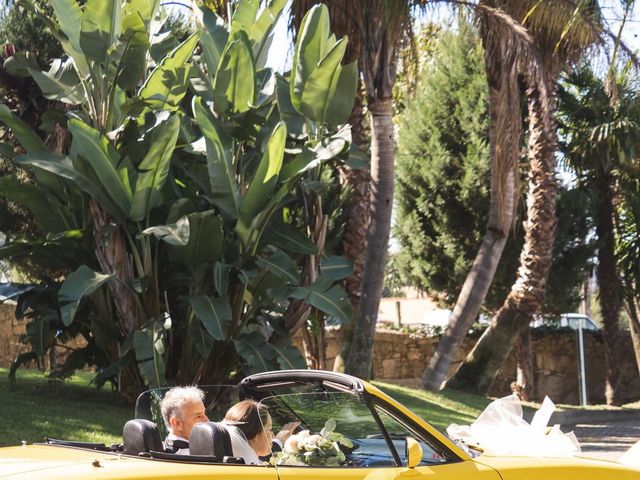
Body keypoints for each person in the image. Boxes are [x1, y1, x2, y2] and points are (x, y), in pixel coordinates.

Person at [223, 400, 299, 465]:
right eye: (269, 429)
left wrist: (279, 441)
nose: (272, 435)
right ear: (255, 436)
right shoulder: (253, 471)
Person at [160, 386, 209, 455]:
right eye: (198, 416)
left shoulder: (164, 447)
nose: (207, 420)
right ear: (177, 423)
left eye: (204, 414)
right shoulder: (192, 457)